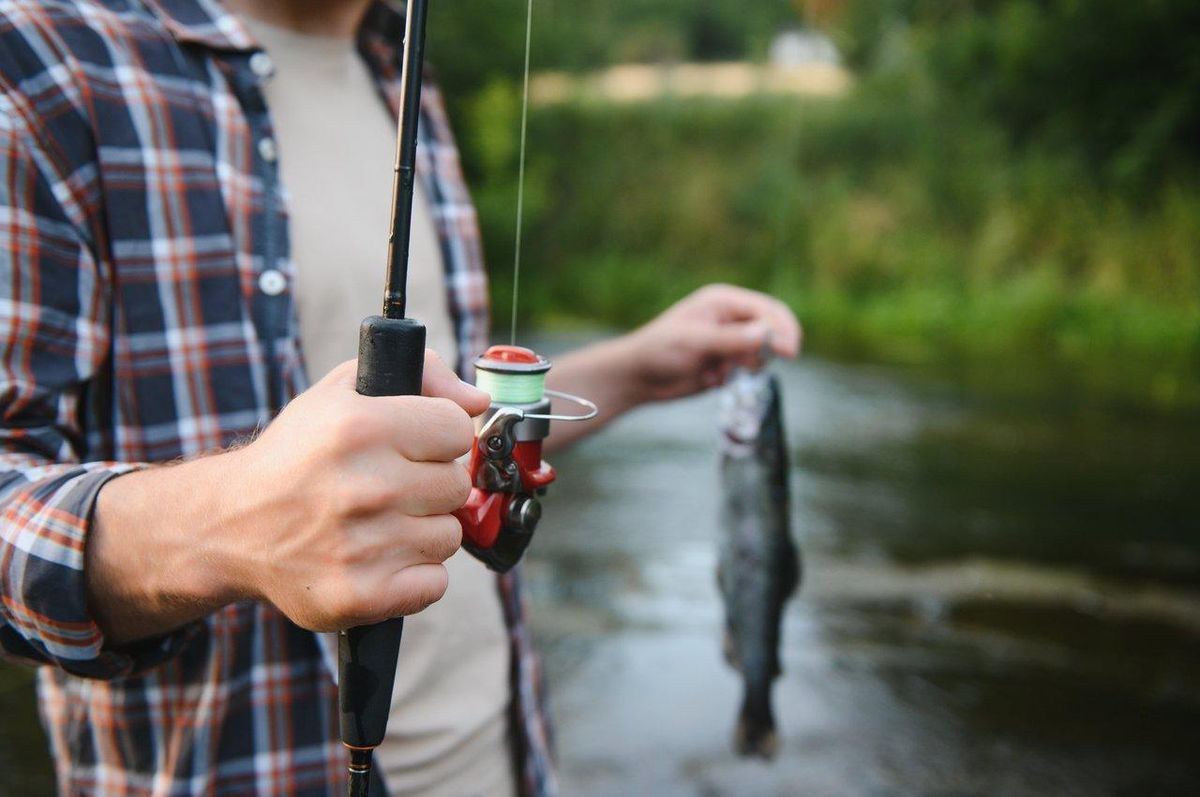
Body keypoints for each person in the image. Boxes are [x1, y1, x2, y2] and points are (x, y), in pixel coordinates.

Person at [0, 1, 801, 795]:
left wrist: (635, 371)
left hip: (503, 755)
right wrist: (231, 521)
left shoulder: (399, 60)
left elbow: (445, 432)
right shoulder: (41, 59)